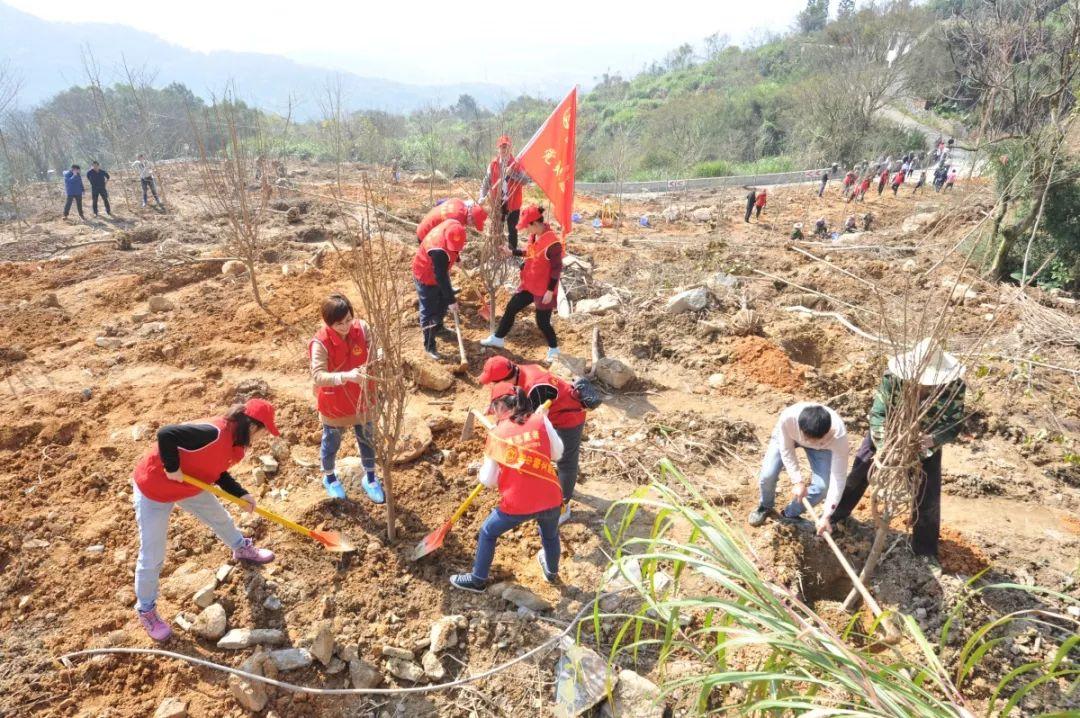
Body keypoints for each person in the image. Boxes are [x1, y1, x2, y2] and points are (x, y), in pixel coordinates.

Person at [131, 399, 279, 641]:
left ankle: (241, 548)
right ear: (253, 427)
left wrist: (240, 493)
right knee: (153, 554)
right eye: (265, 432)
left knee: (220, 518)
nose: (264, 437)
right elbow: (166, 434)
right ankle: (146, 609)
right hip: (154, 489)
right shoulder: (213, 432)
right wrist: (172, 466)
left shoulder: (236, 445)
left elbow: (217, 471)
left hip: (189, 485)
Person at [831, 340, 966, 566]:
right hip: (886, 435)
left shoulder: (954, 387)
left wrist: (933, 439)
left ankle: (924, 549)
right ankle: (836, 516)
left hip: (925, 445)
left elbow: (954, 424)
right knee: (860, 471)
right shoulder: (893, 378)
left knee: (927, 493)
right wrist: (886, 446)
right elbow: (878, 414)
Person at [450, 383, 564, 592]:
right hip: (550, 496)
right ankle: (552, 571)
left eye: (493, 408)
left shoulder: (496, 435)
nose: (493, 413)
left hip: (518, 502)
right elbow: (558, 453)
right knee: (550, 534)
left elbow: (487, 479)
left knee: (487, 532)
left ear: (501, 406)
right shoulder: (541, 420)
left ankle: (478, 579)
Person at [478, 356, 593, 525]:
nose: (492, 386)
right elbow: (503, 395)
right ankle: (559, 483)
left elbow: (526, 423)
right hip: (547, 413)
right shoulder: (513, 372)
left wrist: (501, 435)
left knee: (565, 462)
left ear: (506, 377)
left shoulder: (535, 387)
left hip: (568, 415)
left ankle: (562, 507)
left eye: (494, 383)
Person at [309, 294, 386, 503]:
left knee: (367, 439)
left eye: (348, 320)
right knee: (331, 441)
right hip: (336, 403)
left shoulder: (362, 328)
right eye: (339, 323)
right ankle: (330, 478)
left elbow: (375, 345)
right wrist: (346, 376)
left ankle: (370, 477)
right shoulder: (320, 343)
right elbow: (317, 375)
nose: (345, 326)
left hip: (363, 398)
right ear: (328, 323)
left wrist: (378, 353)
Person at [747, 403, 849, 535]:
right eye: (807, 438)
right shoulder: (788, 419)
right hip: (788, 438)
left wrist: (826, 516)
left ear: (826, 433)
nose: (810, 442)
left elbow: (838, 478)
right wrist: (797, 481)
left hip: (822, 449)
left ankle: (790, 514)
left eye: (815, 439)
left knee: (823, 487)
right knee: (768, 475)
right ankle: (765, 506)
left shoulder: (839, 436)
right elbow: (786, 450)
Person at [480, 205, 563, 364]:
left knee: (543, 322)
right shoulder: (536, 236)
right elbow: (531, 253)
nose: (526, 231)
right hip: (530, 284)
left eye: (527, 227)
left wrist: (550, 291)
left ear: (535, 224)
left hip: (544, 289)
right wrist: (512, 252)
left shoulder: (553, 243)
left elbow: (557, 268)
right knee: (512, 307)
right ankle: (498, 338)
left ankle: (554, 349)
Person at [412, 218, 467, 360]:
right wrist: (452, 300)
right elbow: (441, 276)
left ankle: (439, 327)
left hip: (439, 271)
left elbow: (454, 246)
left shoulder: (454, 225)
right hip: (425, 275)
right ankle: (429, 346)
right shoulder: (438, 251)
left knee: (443, 301)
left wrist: (457, 258)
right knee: (429, 310)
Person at [479, 135, 529, 250]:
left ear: (510, 148)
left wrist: (512, 174)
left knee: (512, 228)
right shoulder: (493, 164)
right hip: (498, 201)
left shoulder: (516, 164)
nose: (504, 150)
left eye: (506, 147)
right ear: (498, 149)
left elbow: (525, 180)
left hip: (513, 202)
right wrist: (481, 197)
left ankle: (512, 251)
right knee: (498, 227)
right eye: (502, 147)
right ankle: (498, 249)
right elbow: (486, 182)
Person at [416, 199, 488, 243]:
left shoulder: (458, 201)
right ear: (470, 217)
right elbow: (449, 243)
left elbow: (439, 202)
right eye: (474, 224)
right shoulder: (456, 222)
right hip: (425, 237)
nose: (473, 226)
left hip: (422, 226)